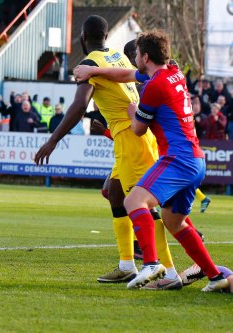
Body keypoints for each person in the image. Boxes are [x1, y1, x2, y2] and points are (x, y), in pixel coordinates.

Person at [74, 29, 228, 292]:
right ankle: (216, 277)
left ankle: (152, 263)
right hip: (195, 159)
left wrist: (134, 111)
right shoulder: (174, 72)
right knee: (173, 220)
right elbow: (125, 74)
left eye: (135, 54)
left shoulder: (154, 87)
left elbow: (137, 128)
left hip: (177, 159)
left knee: (134, 200)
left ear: (145, 56)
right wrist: (95, 72)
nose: (133, 59)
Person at [35, 16, 178, 288]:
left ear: (82, 36)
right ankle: (127, 264)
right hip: (137, 134)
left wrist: (52, 140)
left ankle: (167, 271)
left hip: (130, 137)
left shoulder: (89, 64)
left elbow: (79, 106)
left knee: (144, 203)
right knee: (115, 193)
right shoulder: (116, 56)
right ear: (106, 34)